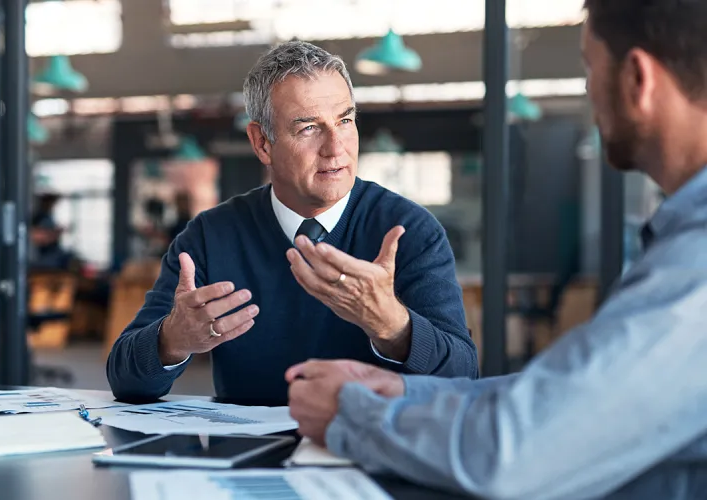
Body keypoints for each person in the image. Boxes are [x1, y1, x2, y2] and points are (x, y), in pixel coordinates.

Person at [286, 1, 707, 498]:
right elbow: (572, 398)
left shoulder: (695, 264)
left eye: (591, 68)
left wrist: (351, 414)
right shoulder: (683, 241)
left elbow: (517, 452)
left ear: (639, 80)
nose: (589, 90)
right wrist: (404, 391)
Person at [107, 41, 478, 404]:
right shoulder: (209, 237)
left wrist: (393, 327)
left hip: (368, 450)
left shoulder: (409, 231)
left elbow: (463, 377)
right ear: (262, 143)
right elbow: (125, 380)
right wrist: (171, 339)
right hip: (245, 456)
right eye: (309, 128)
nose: (336, 148)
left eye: (345, 121)